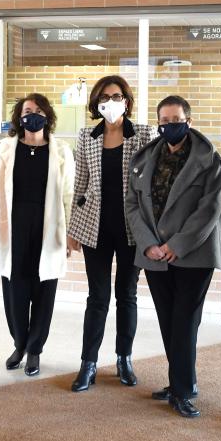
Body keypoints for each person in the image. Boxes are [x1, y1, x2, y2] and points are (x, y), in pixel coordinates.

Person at [124, 96, 221, 418]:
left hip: (193, 255)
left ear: (188, 122)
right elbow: (133, 204)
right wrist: (148, 244)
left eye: (176, 120)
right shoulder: (144, 158)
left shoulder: (209, 159)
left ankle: (182, 390)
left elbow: (210, 208)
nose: (170, 125)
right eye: (164, 121)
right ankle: (180, 381)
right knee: (168, 320)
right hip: (154, 255)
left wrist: (177, 244)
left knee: (184, 322)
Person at [66, 75, 156, 392]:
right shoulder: (87, 136)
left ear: (126, 101)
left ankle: (124, 359)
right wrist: (73, 229)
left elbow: (151, 183)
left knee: (126, 295)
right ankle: (88, 364)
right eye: (104, 97)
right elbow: (80, 184)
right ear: (96, 103)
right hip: (96, 227)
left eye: (116, 96)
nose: (110, 102)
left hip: (132, 229)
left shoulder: (143, 133)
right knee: (98, 296)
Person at [0, 93, 74, 377]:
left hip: (49, 228)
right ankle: (19, 344)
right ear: (19, 117)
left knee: (44, 290)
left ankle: (35, 349)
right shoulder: (6, 149)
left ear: (47, 117)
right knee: (15, 290)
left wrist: (69, 235)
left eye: (38, 110)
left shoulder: (61, 152)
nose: (32, 115)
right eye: (27, 111)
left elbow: (68, 196)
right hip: (14, 228)